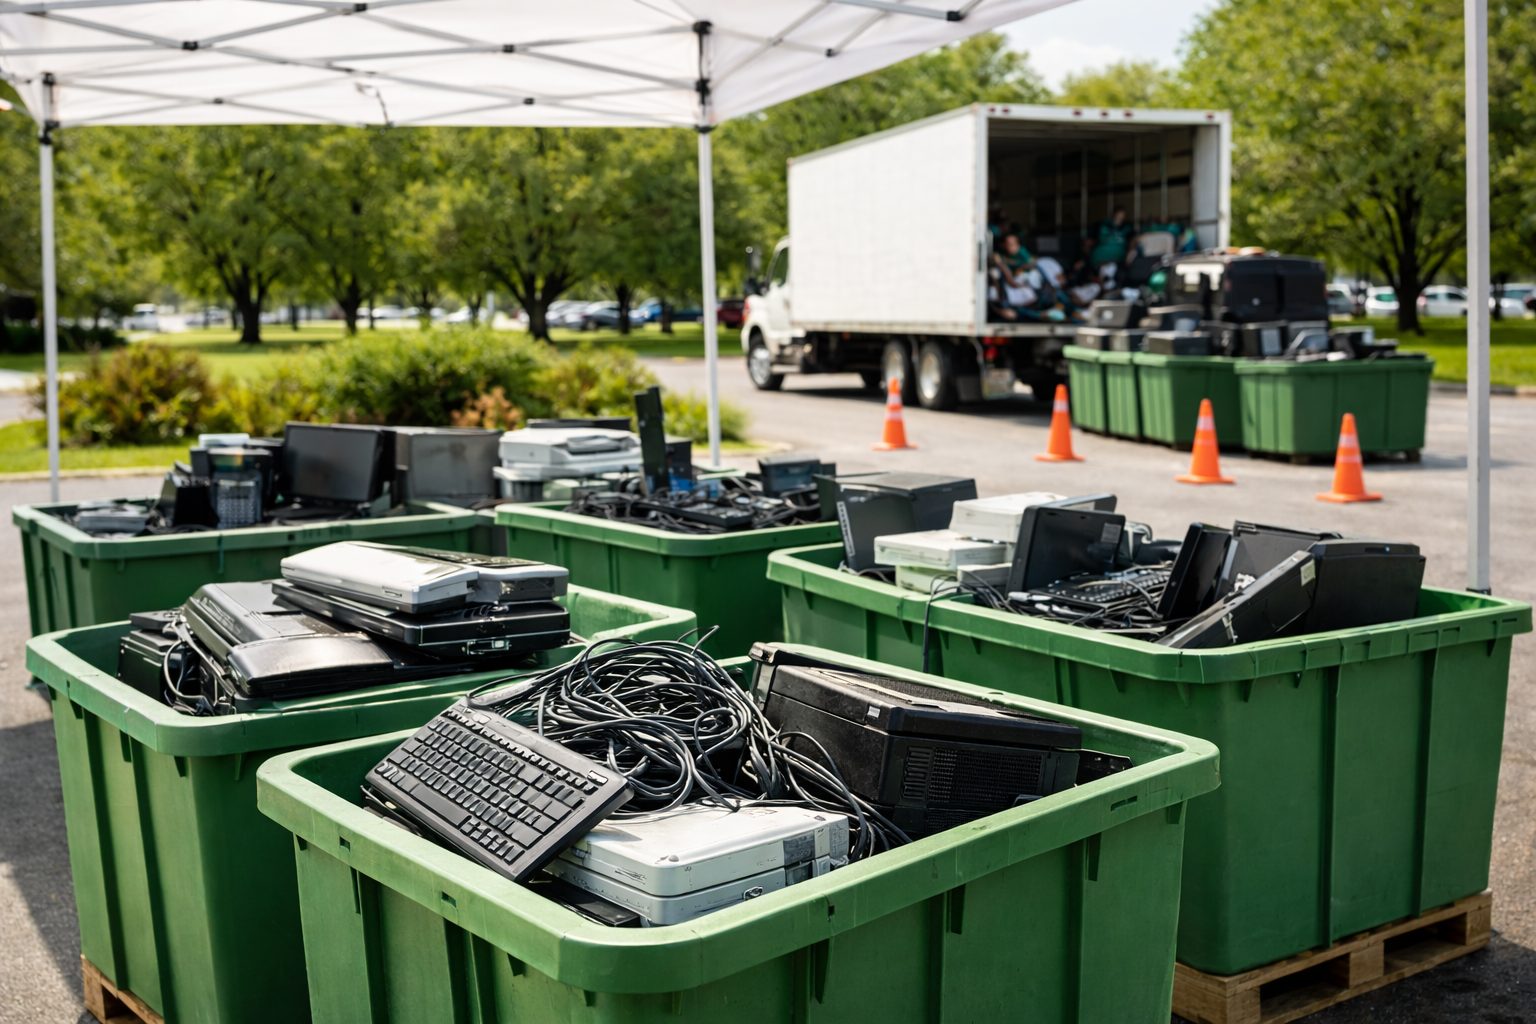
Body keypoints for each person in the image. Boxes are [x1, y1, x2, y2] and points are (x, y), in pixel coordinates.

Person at [1090, 206, 1134, 279]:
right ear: (1113, 214)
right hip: (1101, 258)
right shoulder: (1103, 225)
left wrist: (1130, 252)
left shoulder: (1127, 227)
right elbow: (1091, 241)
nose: (1120, 217)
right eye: (1118, 214)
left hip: (1118, 259)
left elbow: (1134, 240)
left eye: (1122, 215)